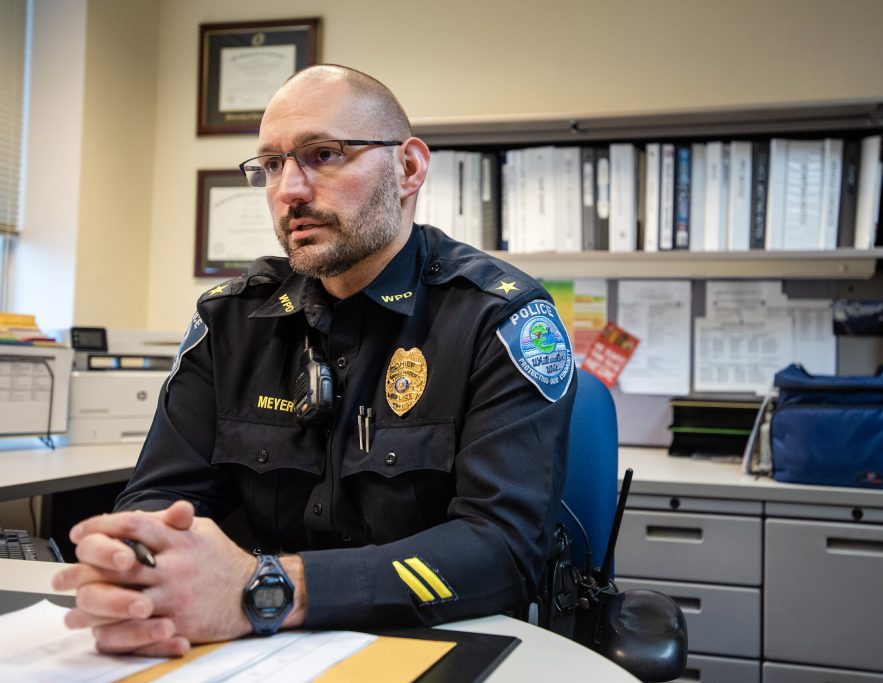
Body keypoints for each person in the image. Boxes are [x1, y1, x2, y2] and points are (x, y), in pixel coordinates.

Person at [52, 64, 576, 657]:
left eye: (323, 154)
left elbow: (504, 550)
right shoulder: (231, 319)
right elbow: (161, 497)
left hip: (435, 641)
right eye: (272, 165)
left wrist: (271, 589)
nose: (290, 190)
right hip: (253, 649)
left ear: (408, 168)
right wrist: (138, 564)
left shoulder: (498, 318)